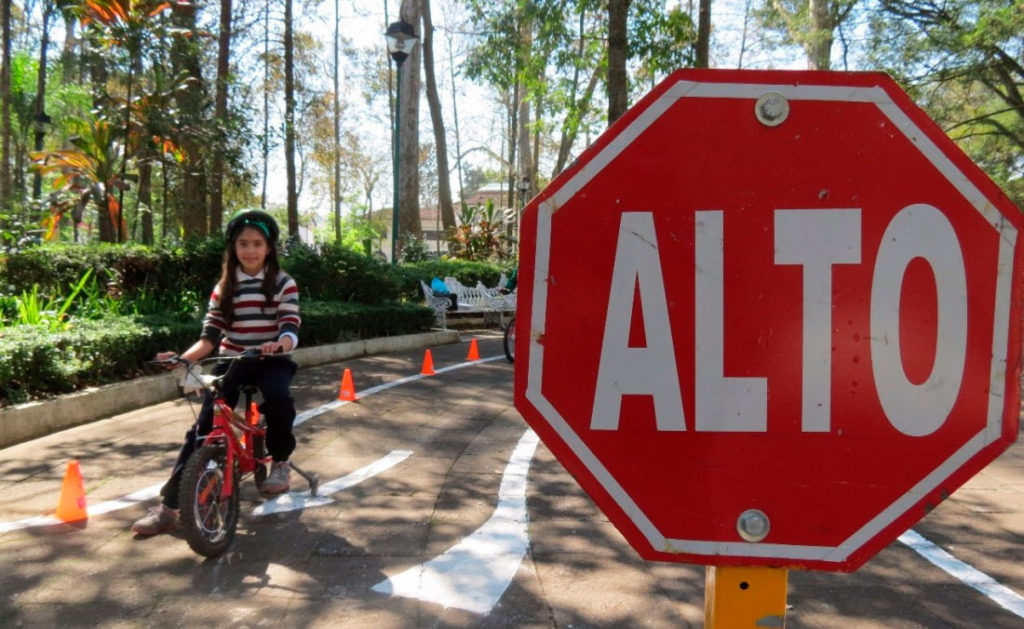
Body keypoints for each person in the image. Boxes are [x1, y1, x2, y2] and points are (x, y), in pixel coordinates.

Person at [132, 209, 301, 536]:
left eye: (257, 244)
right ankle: (169, 508)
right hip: (234, 360)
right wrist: (182, 359)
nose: (250, 250)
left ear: (269, 248)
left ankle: (280, 461)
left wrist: (278, 344)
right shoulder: (224, 287)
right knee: (203, 425)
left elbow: (290, 327)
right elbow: (210, 337)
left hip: (272, 359)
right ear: (233, 248)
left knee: (279, 397)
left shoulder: (283, 283)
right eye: (243, 244)